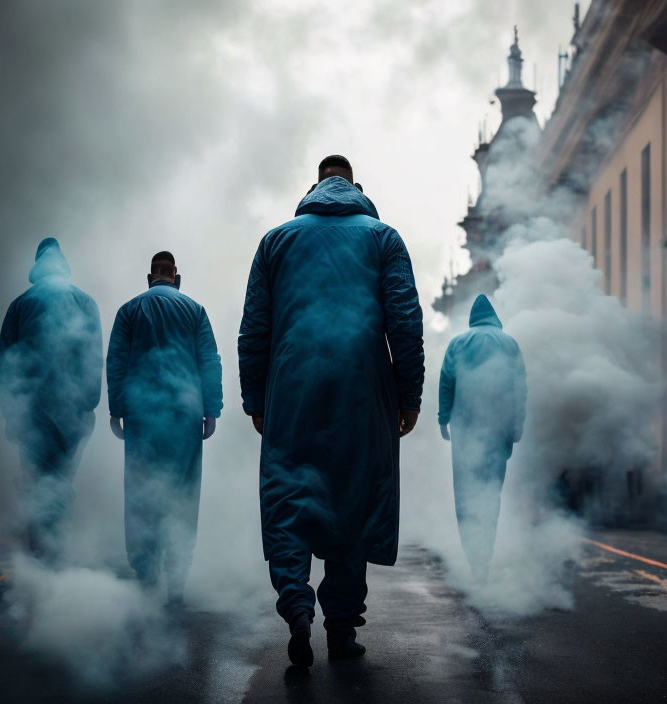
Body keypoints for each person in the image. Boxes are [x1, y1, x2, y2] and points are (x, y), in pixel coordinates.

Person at [239, 155, 424, 667]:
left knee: (289, 497)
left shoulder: (276, 241)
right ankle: (341, 629)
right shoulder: (383, 238)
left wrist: (256, 397)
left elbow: (254, 327)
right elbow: (405, 323)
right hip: (362, 390)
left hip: (293, 387)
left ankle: (297, 605)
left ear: (315, 186)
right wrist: (409, 396)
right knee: (352, 502)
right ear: (355, 186)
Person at [106, 251, 222, 605]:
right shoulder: (195, 310)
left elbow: (116, 362)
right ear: (176, 277)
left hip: (142, 418)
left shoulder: (129, 311)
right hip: (184, 418)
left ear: (149, 278)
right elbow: (209, 361)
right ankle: (177, 578)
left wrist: (117, 409)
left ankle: (145, 574)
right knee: (184, 494)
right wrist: (211, 409)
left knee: (141, 493)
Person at [0, 237, 103, 562]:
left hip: (31, 413)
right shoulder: (85, 302)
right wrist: (88, 406)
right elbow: (94, 359)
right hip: (72, 414)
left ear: (37, 267)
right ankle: (55, 553)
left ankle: (41, 554)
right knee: (61, 480)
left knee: (38, 481)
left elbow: (1, 360)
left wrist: (11, 411)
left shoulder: (20, 304)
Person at [438, 294, 527, 582]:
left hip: (465, 433)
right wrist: (516, 430)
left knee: (465, 495)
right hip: (498, 432)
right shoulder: (510, 344)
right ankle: (484, 555)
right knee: (491, 494)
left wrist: (443, 419)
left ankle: (474, 558)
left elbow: (446, 383)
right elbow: (519, 391)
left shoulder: (458, 343)